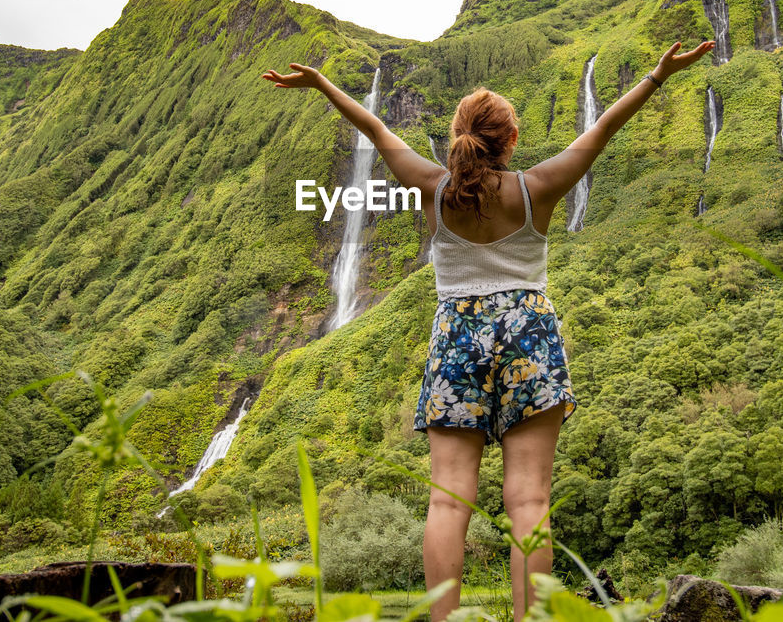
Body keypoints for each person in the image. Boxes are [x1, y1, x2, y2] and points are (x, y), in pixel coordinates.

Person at [261, 38, 712, 621]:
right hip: (529, 336)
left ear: (458, 138)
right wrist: (655, 76)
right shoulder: (538, 188)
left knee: (448, 501)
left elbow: (375, 131)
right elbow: (602, 130)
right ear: (511, 141)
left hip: (457, 338)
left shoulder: (434, 188)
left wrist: (322, 84)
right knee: (529, 499)